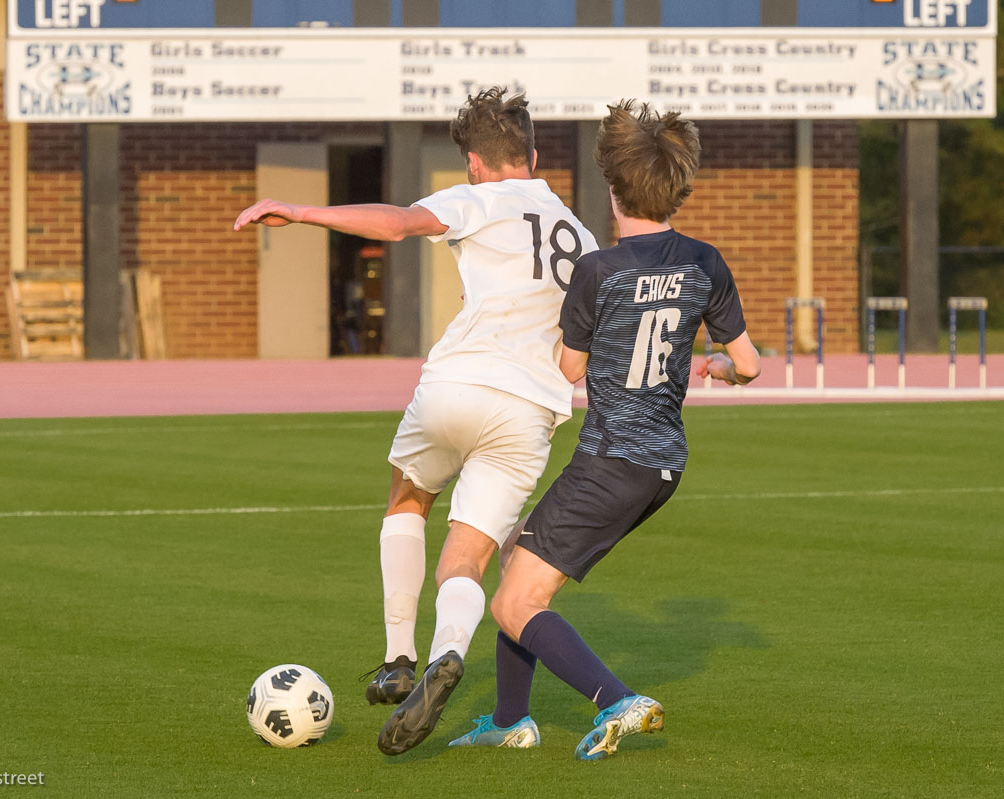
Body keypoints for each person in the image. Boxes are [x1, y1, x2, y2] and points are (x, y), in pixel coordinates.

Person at [233, 87, 598, 757]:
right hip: (531, 412)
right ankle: (447, 651)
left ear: (474, 163)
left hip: (457, 386)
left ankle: (401, 654)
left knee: (408, 494)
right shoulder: (580, 231)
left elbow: (399, 223)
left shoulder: (478, 198)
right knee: (469, 556)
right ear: (536, 156)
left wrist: (302, 211)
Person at [448, 100, 761, 759]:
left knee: (513, 603)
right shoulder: (705, 262)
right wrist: (718, 371)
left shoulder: (599, 271)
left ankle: (618, 700)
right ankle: (510, 719)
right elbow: (750, 364)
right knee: (518, 562)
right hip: (662, 467)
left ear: (613, 192)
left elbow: (567, 369)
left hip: (610, 459)